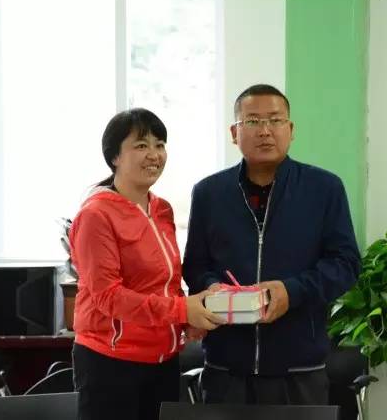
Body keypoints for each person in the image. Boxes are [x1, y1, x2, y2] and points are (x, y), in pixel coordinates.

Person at [183, 84, 361, 405]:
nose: (265, 130)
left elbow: (345, 264)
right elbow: (195, 265)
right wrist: (213, 289)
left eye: (275, 120)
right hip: (226, 369)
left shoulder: (324, 189)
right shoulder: (209, 193)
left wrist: (290, 292)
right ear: (234, 133)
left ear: (290, 129)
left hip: (299, 369)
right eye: (252, 121)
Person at [69, 108, 224, 420]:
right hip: (111, 361)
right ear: (114, 156)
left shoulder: (162, 209)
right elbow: (108, 297)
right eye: (141, 145)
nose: (154, 155)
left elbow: (164, 283)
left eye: (160, 145)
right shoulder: (96, 215)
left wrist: (188, 319)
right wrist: (182, 310)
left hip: (163, 360)